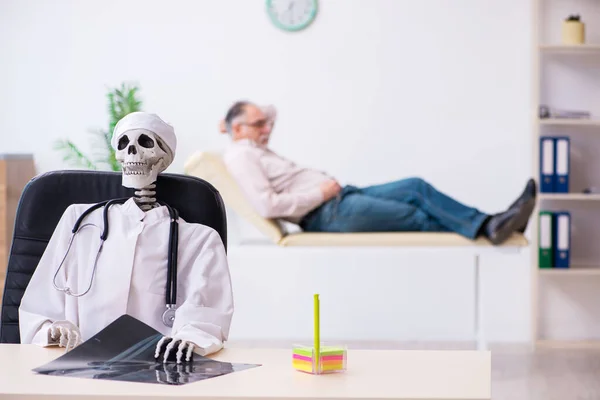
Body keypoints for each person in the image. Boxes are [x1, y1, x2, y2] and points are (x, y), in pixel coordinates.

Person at [19, 112, 234, 362]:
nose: (132, 152)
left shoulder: (200, 240)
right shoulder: (80, 221)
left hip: (157, 369)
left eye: (145, 143)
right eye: (124, 144)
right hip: (76, 365)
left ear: (164, 158)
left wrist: (190, 337)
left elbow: (206, 315)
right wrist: (52, 329)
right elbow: (39, 305)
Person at [219, 101, 536, 245]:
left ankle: (493, 223)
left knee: (415, 187)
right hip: (326, 213)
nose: (268, 127)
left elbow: (270, 110)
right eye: (260, 124)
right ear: (238, 128)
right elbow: (267, 206)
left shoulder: (253, 147)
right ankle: (492, 227)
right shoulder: (241, 155)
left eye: (266, 123)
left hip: (342, 198)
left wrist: (233, 122)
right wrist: (322, 192)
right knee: (416, 214)